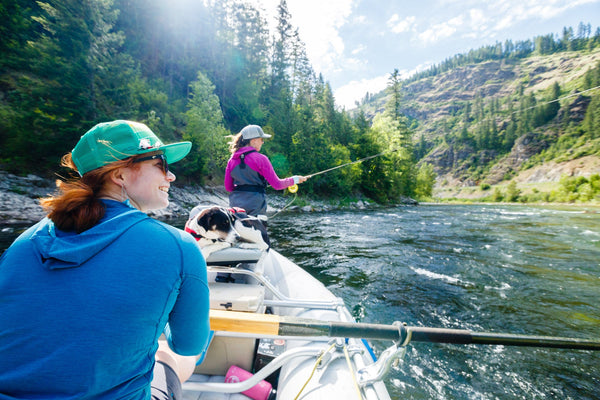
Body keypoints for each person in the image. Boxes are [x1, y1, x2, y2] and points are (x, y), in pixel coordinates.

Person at [0, 120, 211, 399]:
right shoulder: (179, 246)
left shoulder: (23, 243)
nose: (170, 176)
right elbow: (188, 345)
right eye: (160, 164)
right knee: (169, 355)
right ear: (120, 175)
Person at [224, 125, 307, 222]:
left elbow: (228, 187)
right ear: (253, 141)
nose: (263, 142)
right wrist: (295, 179)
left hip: (235, 208)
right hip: (255, 208)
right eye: (261, 139)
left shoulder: (232, 160)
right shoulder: (261, 159)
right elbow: (277, 185)